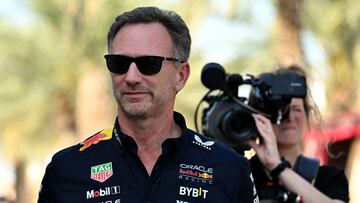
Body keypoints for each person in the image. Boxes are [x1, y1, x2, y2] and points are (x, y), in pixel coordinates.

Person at [37, 6, 259, 203]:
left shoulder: (229, 169)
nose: (131, 77)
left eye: (148, 64)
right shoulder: (67, 170)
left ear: (181, 76)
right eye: (119, 63)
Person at [246, 65, 349, 203]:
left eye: (296, 109)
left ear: (307, 116)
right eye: (281, 109)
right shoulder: (242, 174)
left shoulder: (328, 177)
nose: (290, 117)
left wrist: (276, 166)